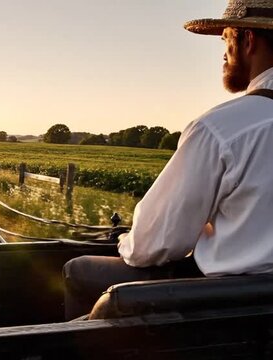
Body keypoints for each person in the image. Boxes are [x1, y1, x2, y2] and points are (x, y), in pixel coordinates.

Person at [63, 0, 273, 320]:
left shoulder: (222, 128)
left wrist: (125, 241)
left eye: (225, 38)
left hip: (229, 305)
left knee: (77, 269)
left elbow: (154, 245)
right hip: (260, 299)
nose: (223, 51)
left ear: (247, 40)